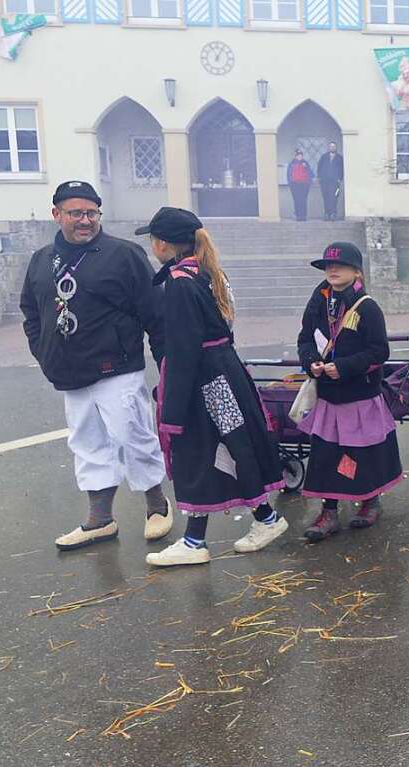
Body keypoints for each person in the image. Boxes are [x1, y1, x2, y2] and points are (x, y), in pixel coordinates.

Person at [20, 181, 172, 551]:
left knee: (131, 434)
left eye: (91, 213)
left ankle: (156, 505)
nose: (85, 220)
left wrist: (167, 362)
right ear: (57, 215)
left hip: (117, 367)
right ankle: (100, 518)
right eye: (76, 213)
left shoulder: (125, 254)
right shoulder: (42, 259)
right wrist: (44, 352)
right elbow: (31, 311)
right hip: (69, 372)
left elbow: (154, 312)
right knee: (86, 441)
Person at [140, 207, 287, 566]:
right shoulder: (206, 273)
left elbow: (183, 349)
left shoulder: (179, 283)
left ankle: (195, 542)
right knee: (233, 446)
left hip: (203, 379)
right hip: (224, 372)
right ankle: (263, 519)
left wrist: (171, 405)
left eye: (153, 240)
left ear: (162, 244)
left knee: (199, 450)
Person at [295, 242, 402, 541]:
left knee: (362, 452)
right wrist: (311, 362)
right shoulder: (318, 300)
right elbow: (305, 338)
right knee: (327, 454)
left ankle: (370, 502)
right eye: (328, 265)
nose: (332, 270)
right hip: (329, 396)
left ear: (356, 271)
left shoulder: (367, 306)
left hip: (360, 396)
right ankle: (329, 511)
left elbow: (379, 351)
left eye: (339, 265)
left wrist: (343, 366)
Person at [317, 142, 343, 221]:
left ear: (336, 147)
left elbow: (342, 169)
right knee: (326, 198)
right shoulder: (324, 157)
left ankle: (333, 214)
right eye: (331, 146)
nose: (332, 148)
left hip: (335, 182)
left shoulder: (339, 158)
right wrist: (320, 177)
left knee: (334, 197)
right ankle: (327, 214)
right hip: (325, 182)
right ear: (328, 148)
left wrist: (340, 178)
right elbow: (319, 167)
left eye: (333, 146)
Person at [287, 149, 313, 222]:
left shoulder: (305, 163)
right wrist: (291, 184)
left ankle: (303, 216)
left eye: (300, 155)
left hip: (304, 185)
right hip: (295, 185)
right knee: (296, 200)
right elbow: (289, 174)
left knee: (303, 200)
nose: (299, 157)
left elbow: (310, 174)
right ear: (295, 156)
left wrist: (306, 167)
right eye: (298, 155)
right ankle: (298, 216)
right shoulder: (291, 164)